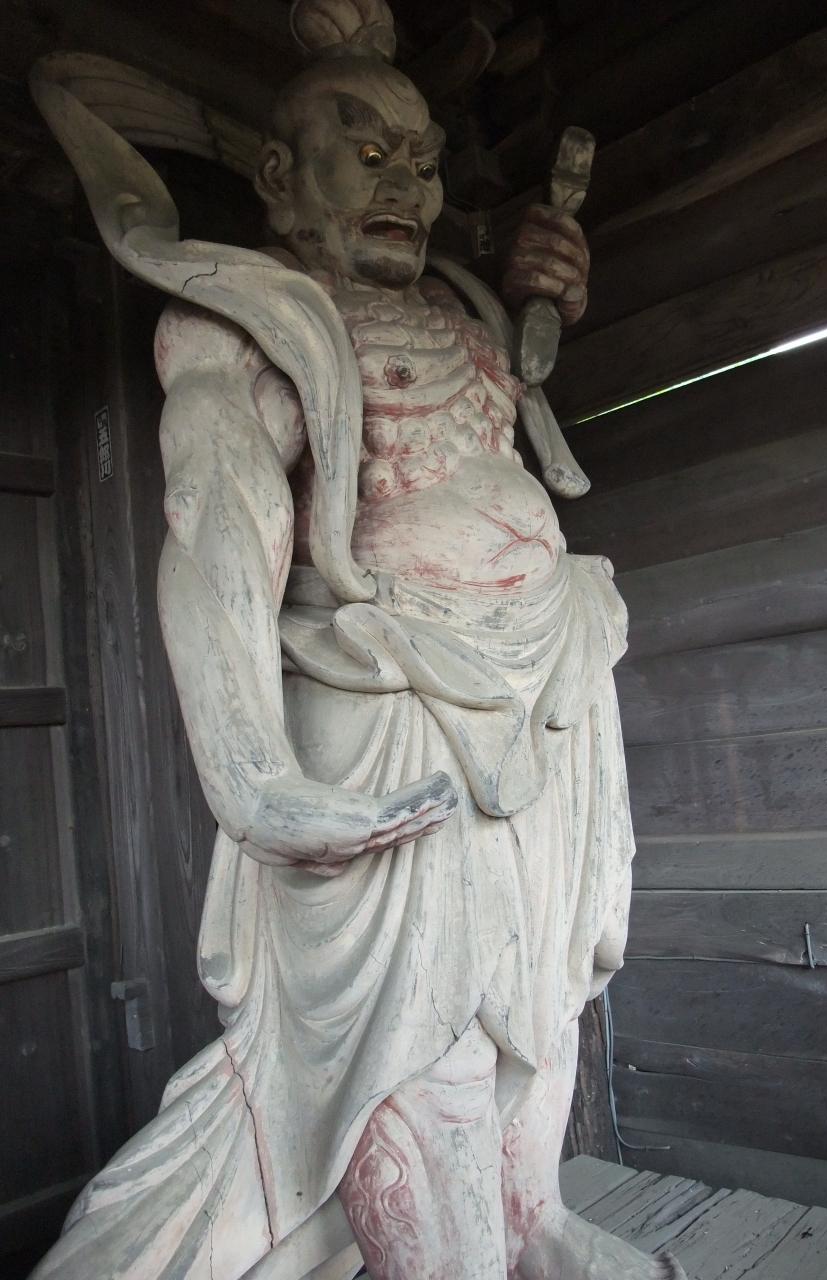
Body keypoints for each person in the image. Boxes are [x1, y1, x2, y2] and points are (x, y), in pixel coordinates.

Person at [30, 2, 683, 1277]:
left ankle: (531, 1219)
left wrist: (541, 290)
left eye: (424, 161)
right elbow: (218, 516)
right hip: (390, 688)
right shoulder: (245, 318)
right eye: (368, 152)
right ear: (280, 177)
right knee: (420, 1026)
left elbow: (503, 411)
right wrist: (252, 772)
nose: (407, 187)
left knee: (544, 980)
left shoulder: (460, 308)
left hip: (547, 672)